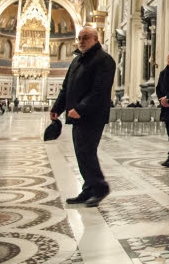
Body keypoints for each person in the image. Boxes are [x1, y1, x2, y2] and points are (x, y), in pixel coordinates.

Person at [51, 26, 116, 207]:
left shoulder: (104, 60)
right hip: (77, 115)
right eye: (79, 37)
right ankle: (89, 188)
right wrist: (57, 108)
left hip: (92, 115)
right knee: (81, 153)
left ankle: (100, 187)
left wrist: (81, 108)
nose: (81, 40)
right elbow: (67, 88)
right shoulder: (77, 60)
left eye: (85, 37)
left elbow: (100, 90)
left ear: (96, 39)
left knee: (87, 151)